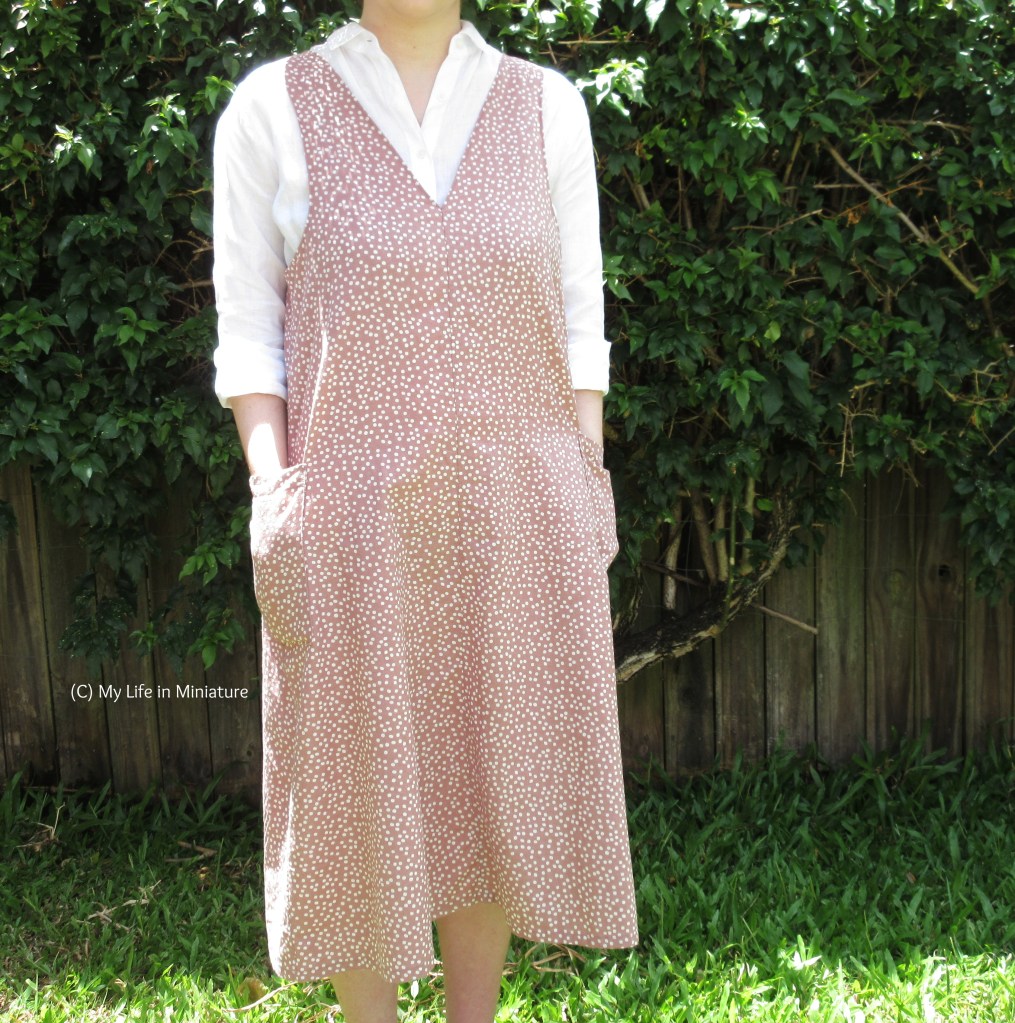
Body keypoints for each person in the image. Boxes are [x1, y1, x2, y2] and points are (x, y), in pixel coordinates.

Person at [211, 0, 639, 1019]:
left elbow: (582, 318)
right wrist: (279, 493)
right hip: (353, 520)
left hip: (518, 505)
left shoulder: (548, 108)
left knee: (497, 763)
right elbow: (246, 333)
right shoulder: (272, 107)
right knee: (357, 780)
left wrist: (583, 473)